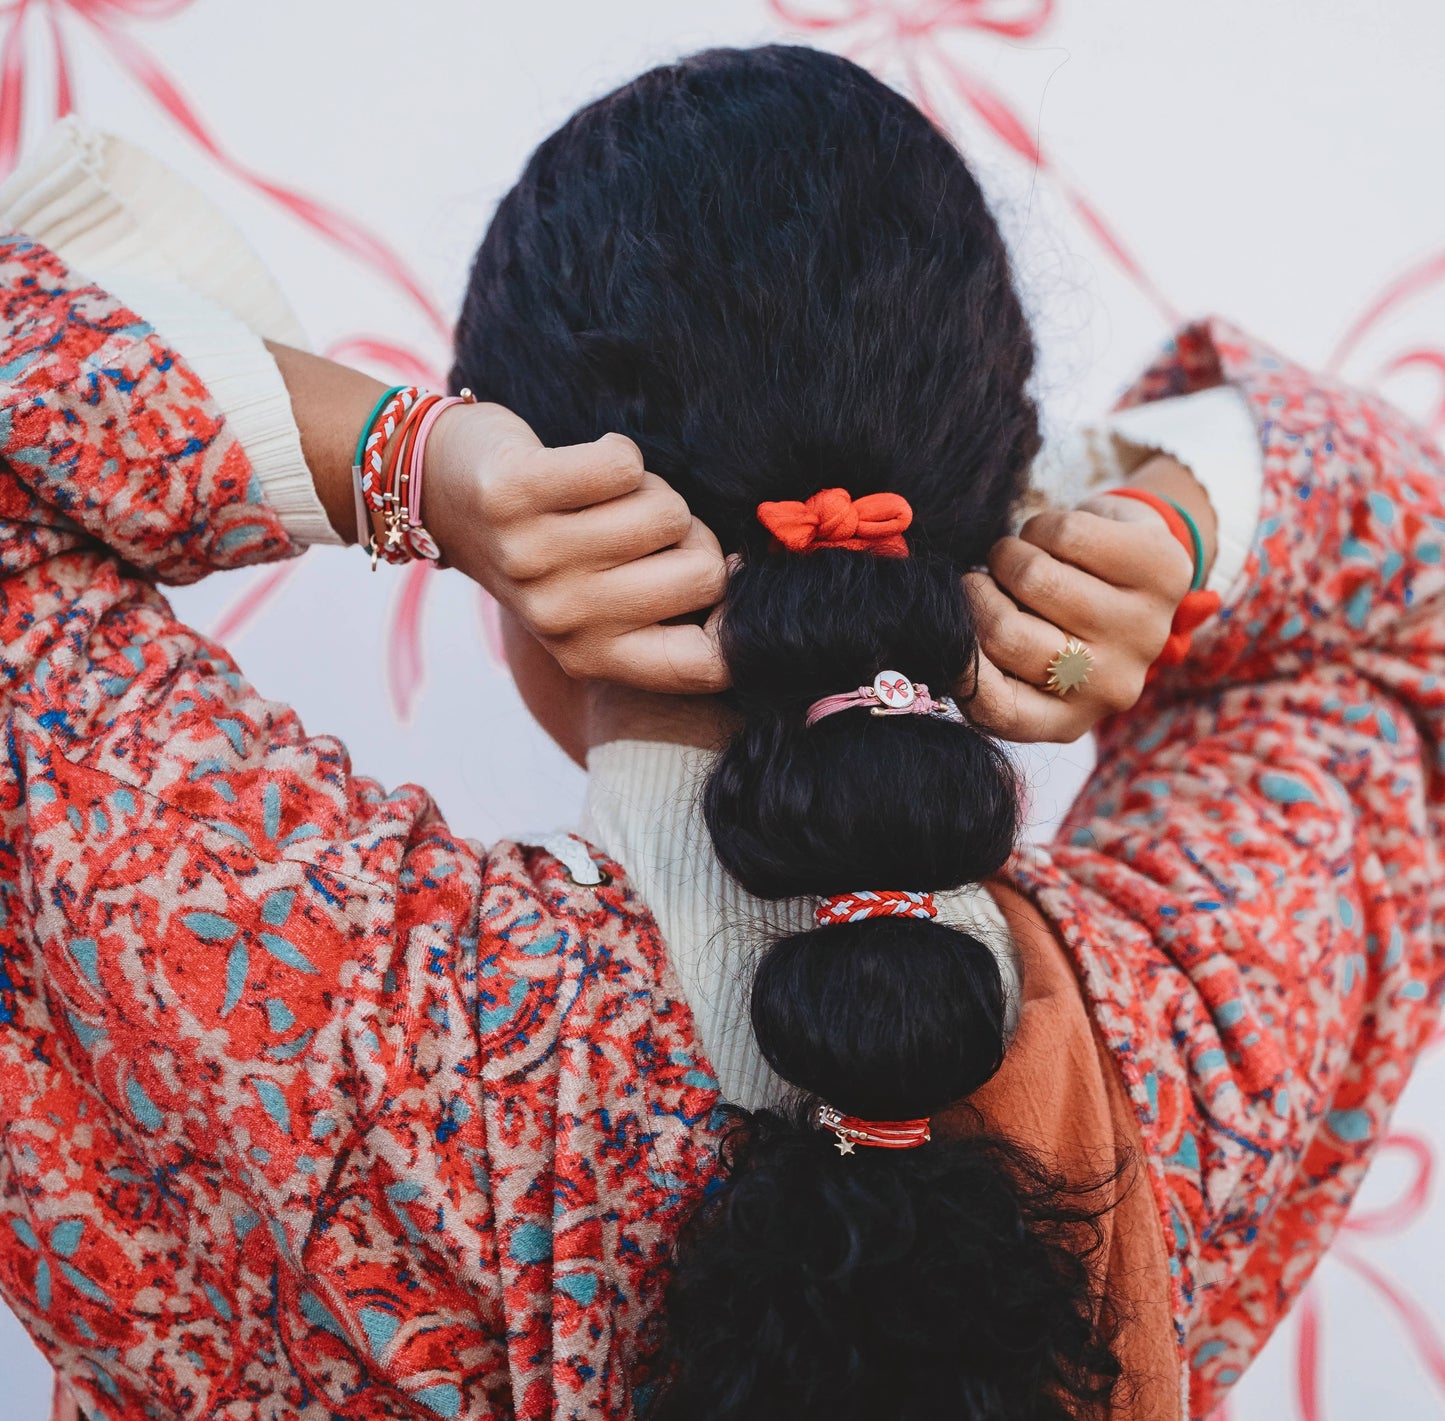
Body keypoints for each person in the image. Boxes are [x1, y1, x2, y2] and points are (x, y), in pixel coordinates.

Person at [0, 43, 1438, 1421]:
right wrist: (1160, 524)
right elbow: (1410, 568)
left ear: (530, 516)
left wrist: (403, 464)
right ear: (989, 497)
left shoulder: (293, 993)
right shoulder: (1201, 1019)